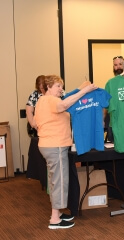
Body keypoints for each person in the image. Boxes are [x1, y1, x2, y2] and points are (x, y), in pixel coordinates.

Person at [35, 75, 97, 229]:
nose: (60, 89)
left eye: (61, 86)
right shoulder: (52, 100)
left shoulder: (42, 101)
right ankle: (55, 220)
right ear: (48, 87)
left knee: (54, 180)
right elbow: (64, 104)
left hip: (48, 145)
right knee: (59, 182)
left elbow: (67, 99)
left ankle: (56, 213)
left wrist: (80, 88)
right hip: (55, 146)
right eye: (57, 86)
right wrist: (85, 91)